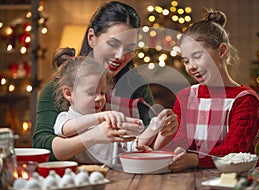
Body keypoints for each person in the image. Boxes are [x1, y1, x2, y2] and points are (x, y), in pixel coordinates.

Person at [33, 1, 177, 162]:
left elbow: (146, 145)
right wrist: (95, 135)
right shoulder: (59, 87)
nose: (121, 56)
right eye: (113, 44)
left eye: (130, 48)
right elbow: (42, 147)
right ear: (91, 38)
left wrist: (163, 129)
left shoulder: (137, 88)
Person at [158, 10, 259, 172]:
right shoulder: (186, 96)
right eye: (186, 60)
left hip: (235, 181)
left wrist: (194, 159)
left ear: (222, 51)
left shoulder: (245, 99)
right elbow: (181, 141)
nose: (191, 66)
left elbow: (235, 149)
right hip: (193, 180)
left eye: (197, 56)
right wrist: (176, 151)